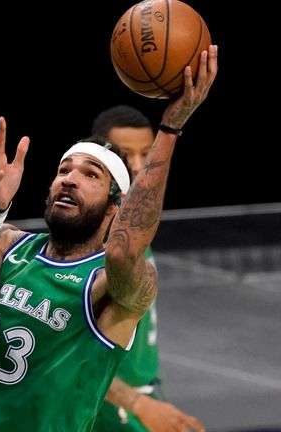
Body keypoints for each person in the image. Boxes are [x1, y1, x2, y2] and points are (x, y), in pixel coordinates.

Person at [0, 45, 218, 431]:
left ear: (116, 205)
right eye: (64, 169)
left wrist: (170, 128)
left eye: (91, 175)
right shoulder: (8, 244)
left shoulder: (106, 283)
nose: (69, 178)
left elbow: (124, 252)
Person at [91, 105, 204, 432]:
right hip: (110, 407)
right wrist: (137, 403)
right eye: (128, 156)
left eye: (147, 154)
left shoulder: (134, 229)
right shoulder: (94, 242)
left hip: (144, 394)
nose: (139, 167)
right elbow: (66, 352)